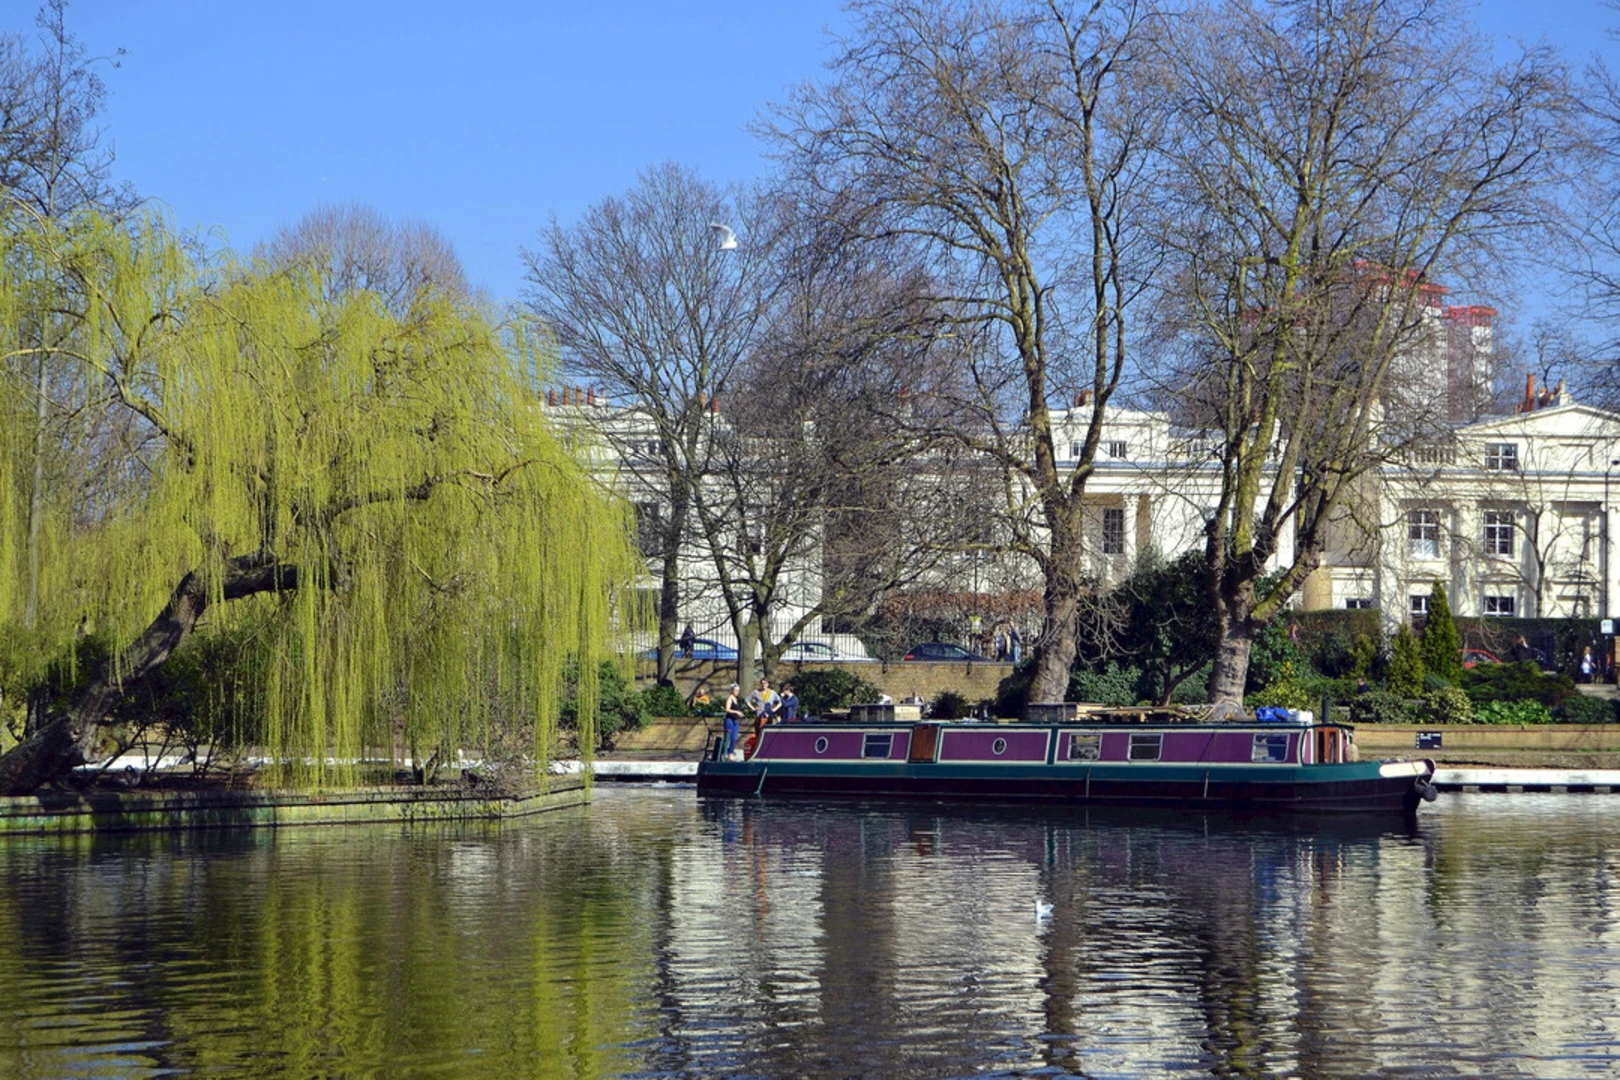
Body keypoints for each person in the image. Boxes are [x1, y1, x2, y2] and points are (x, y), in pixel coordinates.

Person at [721, 683, 745, 757]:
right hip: (729, 720)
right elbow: (727, 709)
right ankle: (726, 753)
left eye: (738, 690)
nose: (737, 692)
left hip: (735, 721)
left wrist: (740, 713)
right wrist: (736, 712)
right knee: (729, 738)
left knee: (734, 738)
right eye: (736, 690)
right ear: (732, 691)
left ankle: (730, 753)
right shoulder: (730, 698)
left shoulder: (736, 699)